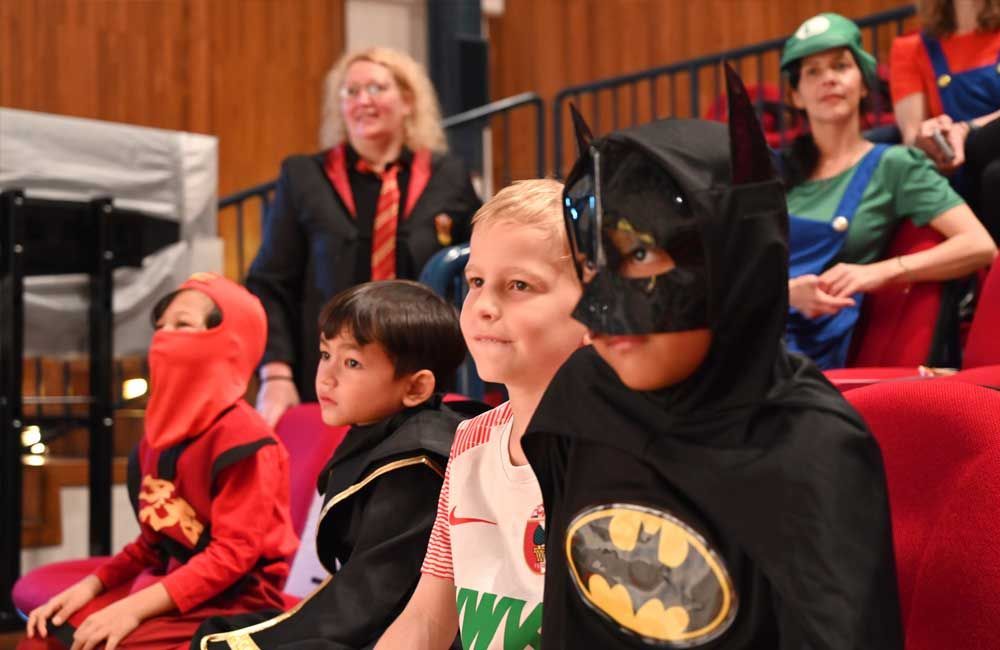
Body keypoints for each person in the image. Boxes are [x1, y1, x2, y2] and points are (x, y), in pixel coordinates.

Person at [521, 65, 904, 649]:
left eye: (642, 255)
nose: (597, 308)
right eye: (595, 263)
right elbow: (570, 614)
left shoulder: (813, 450)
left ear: (736, 262)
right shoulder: (583, 395)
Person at [193, 280, 484, 649]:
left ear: (415, 389)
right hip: (373, 614)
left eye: (352, 363)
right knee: (213, 630)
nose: (327, 376)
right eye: (325, 354)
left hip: (414, 634)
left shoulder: (417, 466)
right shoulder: (381, 429)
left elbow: (371, 598)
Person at [24, 273, 298, 650]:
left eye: (182, 325)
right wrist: (91, 587)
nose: (163, 336)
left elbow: (231, 557)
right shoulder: (158, 437)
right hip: (169, 583)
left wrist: (132, 609)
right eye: (160, 326)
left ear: (229, 343)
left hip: (235, 602)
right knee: (44, 639)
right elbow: (154, 543)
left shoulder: (247, 442)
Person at [375, 180, 589, 650]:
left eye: (519, 285)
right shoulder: (471, 439)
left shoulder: (621, 451)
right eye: (476, 282)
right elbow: (426, 622)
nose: (485, 307)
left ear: (597, 309)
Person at [249, 46, 482, 426]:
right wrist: (275, 374)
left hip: (422, 376)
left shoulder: (449, 176)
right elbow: (270, 282)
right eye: (351, 92)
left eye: (376, 88)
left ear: (407, 101)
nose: (363, 101)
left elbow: (479, 265)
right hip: (332, 380)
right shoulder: (304, 176)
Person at [779, 12, 995, 369]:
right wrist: (786, 294)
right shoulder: (777, 172)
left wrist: (879, 271)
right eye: (813, 71)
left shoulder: (895, 165)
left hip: (806, 363)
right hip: (757, 331)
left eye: (840, 66)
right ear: (796, 95)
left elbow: (979, 246)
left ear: (864, 84)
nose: (828, 78)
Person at [890, 0, 1000, 239]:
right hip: (963, 175)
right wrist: (930, 135)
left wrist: (967, 129)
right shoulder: (910, 47)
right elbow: (911, 138)